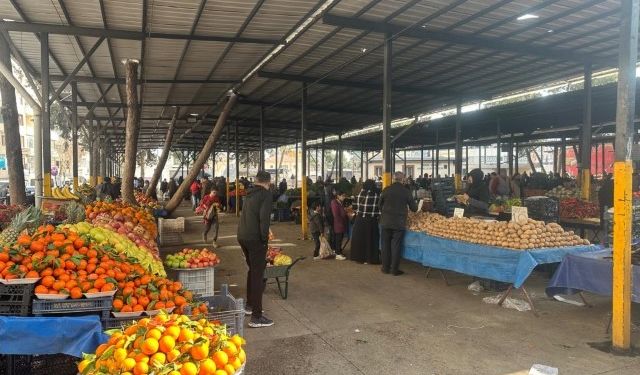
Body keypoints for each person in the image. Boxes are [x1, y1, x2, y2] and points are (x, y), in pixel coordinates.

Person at [237, 171, 274, 328]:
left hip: (243, 236)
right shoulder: (265, 194)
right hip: (255, 238)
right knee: (258, 275)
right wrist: (265, 239)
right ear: (268, 182)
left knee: (252, 270)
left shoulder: (249, 193)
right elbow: (264, 218)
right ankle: (256, 317)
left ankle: (250, 305)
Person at [380, 172, 418, 275]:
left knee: (385, 245)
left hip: (386, 222)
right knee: (396, 246)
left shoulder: (386, 190)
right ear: (402, 180)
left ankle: (385, 268)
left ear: (393, 179)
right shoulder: (406, 192)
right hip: (399, 223)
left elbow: (380, 205)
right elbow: (414, 209)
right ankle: (394, 270)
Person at [350, 179, 381, 264]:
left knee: (360, 240)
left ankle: (359, 258)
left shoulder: (359, 194)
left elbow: (354, 207)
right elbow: (380, 209)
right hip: (371, 221)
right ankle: (370, 259)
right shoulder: (377, 195)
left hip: (359, 221)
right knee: (371, 240)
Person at [330, 191, 349, 260]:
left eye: (344, 196)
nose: (344, 197)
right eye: (343, 196)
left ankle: (338, 251)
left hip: (340, 223)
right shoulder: (334, 203)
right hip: (338, 224)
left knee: (339, 239)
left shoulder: (339, 202)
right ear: (338, 196)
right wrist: (344, 213)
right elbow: (336, 215)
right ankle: (338, 254)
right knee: (338, 239)